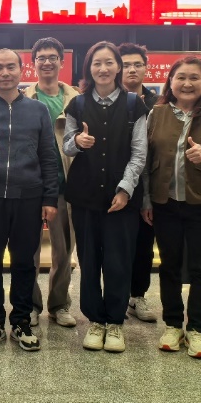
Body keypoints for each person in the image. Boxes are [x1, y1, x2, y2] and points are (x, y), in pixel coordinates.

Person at [0, 49, 58, 352]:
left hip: (28, 198)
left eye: (11, 67)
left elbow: (48, 156)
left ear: (21, 70)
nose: (5, 73)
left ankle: (21, 322)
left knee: (24, 263)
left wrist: (50, 197)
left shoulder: (38, 110)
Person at [142, 56, 201, 359]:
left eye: (194, 77)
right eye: (180, 77)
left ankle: (197, 329)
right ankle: (172, 325)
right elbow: (145, 160)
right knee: (169, 264)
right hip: (165, 202)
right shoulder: (156, 113)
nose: (187, 83)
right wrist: (146, 200)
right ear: (170, 81)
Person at [64, 42, 148, 352]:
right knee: (89, 260)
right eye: (97, 63)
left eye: (109, 62)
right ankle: (95, 321)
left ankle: (115, 322)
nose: (103, 68)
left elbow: (139, 153)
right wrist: (78, 140)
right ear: (89, 68)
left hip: (122, 199)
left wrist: (125, 189)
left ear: (118, 67)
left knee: (118, 261)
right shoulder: (77, 104)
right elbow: (66, 147)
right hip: (85, 196)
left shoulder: (133, 105)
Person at [23, 38, 79, 328]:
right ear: (33, 63)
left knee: (64, 250)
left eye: (52, 57)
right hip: (30, 186)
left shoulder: (76, 99)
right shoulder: (22, 98)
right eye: (41, 57)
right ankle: (30, 305)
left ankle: (59, 304)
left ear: (61, 62)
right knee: (28, 250)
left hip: (65, 185)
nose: (47, 62)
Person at [119, 42, 160, 323]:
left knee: (144, 244)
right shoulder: (107, 99)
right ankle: (117, 295)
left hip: (148, 184)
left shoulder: (159, 103)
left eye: (137, 64)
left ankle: (138, 296)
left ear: (146, 68)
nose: (131, 69)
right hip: (115, 183)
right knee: (115, 244)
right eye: (125, 65)